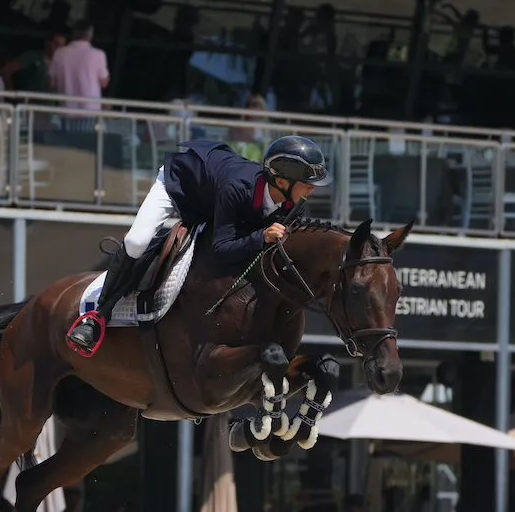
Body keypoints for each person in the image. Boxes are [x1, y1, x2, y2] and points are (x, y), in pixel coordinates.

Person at [64, 134, 332, 356]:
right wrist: (260, 237)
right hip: (180, 184)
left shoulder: (294, 204)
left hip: (214, 200)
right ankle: (97, 316)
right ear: (282, 182)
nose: (313, 190)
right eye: (307, 184)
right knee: (137, 242)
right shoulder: (237, 189)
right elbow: (222, 249)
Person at [49, 21, 111, 110]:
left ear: (73, 34)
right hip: (90, 109)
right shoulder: (99, 54)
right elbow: (104, 83)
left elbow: (52, 83)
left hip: (66, 108)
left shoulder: (59, 53)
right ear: (91, 36)